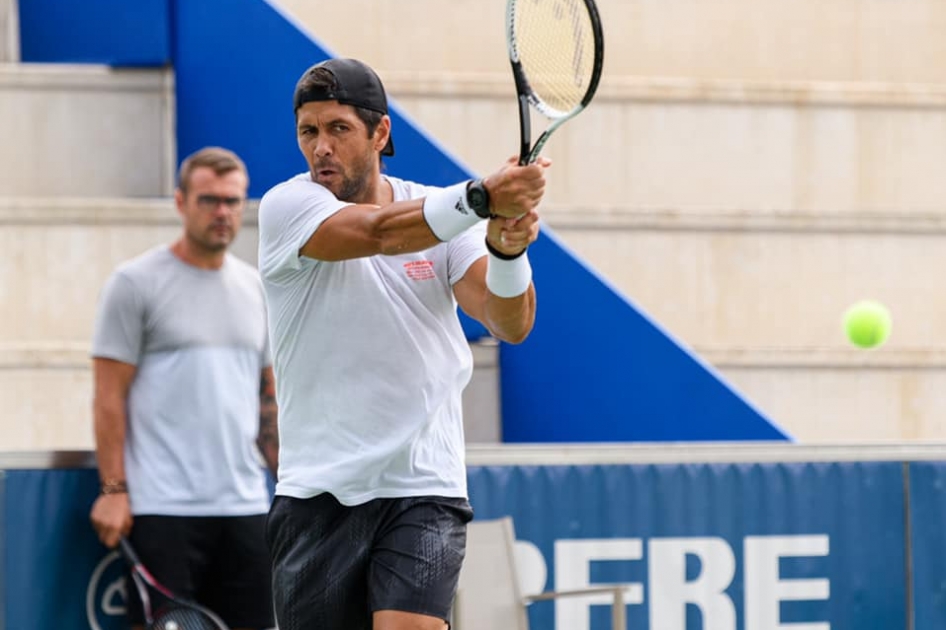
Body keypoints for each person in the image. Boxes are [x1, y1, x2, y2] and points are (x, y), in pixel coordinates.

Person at [258, 58, 548, 630]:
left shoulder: (442, 217)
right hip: (316, 491)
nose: (321, 148)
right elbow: (380, 232)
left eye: (338, 129)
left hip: (423, 487)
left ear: (380, 133)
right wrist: (483, 197)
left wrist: (510, 252)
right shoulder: (286, 208)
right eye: (308, 131)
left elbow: (508, 321)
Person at [89, 146, 278, 630]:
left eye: (233, 202)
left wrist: (292, 486)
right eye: (209, 200)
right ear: (180, 202)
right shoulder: (134, 284)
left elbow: (268, 399)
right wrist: (114, 490)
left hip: (246, 508)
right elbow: (108, 396)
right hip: (161, 510)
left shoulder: (257, 289)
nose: (223, 212)